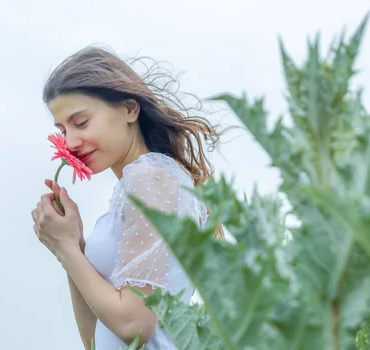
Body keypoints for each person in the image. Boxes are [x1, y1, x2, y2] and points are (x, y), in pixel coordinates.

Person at [31, 46, 226, 350]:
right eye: (62, 129)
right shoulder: (134, 187)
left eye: (81, 122)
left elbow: (134, 326)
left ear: (130, 110)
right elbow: (95, 340)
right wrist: (73, 245)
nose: (69, 143)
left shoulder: (151, 178)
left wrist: (65, 248)